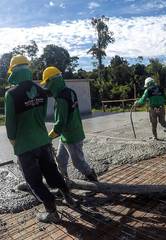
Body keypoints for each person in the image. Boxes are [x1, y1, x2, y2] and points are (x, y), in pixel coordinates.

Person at [5, 55, 76, 223]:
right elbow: (43, 116)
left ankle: (51, 211)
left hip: (25, 146)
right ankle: (68, 196)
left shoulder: (11, 94)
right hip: (43, 141)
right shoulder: (42, 92)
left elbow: (10, 124)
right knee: (52, 172)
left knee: (34, 182)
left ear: (13, 71)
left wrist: (14, 142)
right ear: (27, 70)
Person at [40, 66, 98, 182]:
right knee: (61, 160)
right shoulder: (69, 92)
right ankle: (65, 182)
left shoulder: (61, 98)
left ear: (52, 81)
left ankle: (94, 180)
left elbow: (60, 124)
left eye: (47, 83)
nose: (47, 87)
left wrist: (48, 138)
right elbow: (49, 93)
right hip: (68, 134)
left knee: (78, 163)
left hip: (72, 137)